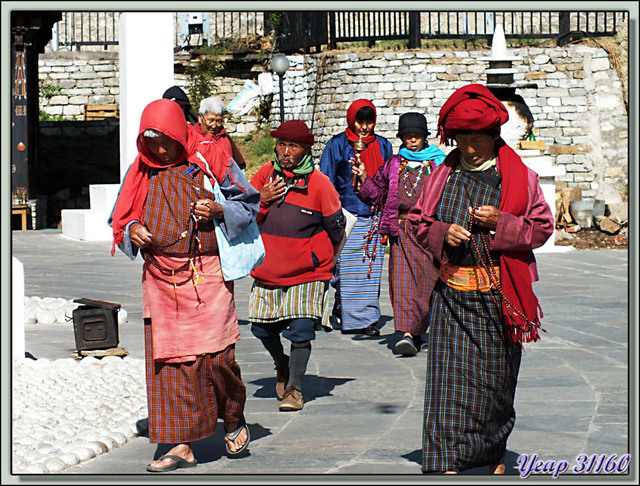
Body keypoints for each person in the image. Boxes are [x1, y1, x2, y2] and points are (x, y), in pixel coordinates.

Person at [408, 84, 554, 474]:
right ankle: (446, 459)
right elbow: (418, 223)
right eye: (462, 139)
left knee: (494, 384)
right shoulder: (443, 173)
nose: (470, 149)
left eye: (478, 140)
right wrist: (442, 233)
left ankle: (489, 453)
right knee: (448, 385)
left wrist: (501, 223)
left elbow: (541, 228)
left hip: (496, 297)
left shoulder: (520, 178)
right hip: (451, 296)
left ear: (494, 136)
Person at [109, 98, 260, 472]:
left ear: (180, 135)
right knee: (171, 364)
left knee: (215, 359)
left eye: (166, 141)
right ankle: (181, 444)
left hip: (206, 276)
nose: (160, 149)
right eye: (152, 142)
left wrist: (220, 209)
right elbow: (120, 217)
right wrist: (133, 230)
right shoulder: (140, 170)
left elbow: (250, 204)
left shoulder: (212, 162)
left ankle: (233, 416)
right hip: (161, 280)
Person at [248, 120, 345, 411]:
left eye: (293, 146)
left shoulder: (319, 183)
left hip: (307, 272)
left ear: (305, 150)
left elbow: (336, 228)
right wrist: (262, 201)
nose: (286, 151)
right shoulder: (265, 175)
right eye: (281, 144)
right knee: (261, 329)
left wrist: (319, 258)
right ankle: (283, 363)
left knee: (301, 329)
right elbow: (243, 215)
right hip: (268, 268)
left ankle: (294, 389)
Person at [351, 112, 445, 356]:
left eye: (416, 136)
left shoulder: (440, 164)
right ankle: (406, 333)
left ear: (425, 137)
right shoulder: (394, 163)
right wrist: (362, 176)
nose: (412, 141)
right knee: (401, 282)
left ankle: (421, 329)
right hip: (400, 231)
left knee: (427, 282)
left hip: (427, 231)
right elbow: (377, 193)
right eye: (407, 136)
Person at [319, 99, 393, 336]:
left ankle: (367, 318)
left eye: (369, 122)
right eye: (360, 121)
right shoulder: (337, 145)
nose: (364, 127)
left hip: (374, 215)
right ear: (351, 120)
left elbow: (390, 181)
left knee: (370, 270)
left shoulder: (383, 146)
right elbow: (327, 180)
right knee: (346, 270)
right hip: (346, 214)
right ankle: (346, 310)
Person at [195, 96, 247, 170]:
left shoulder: (225, 139)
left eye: (218, 121)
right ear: (200, 118)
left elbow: (239, 167)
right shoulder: (193, 139)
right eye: (210, 120)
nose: (214, 126)